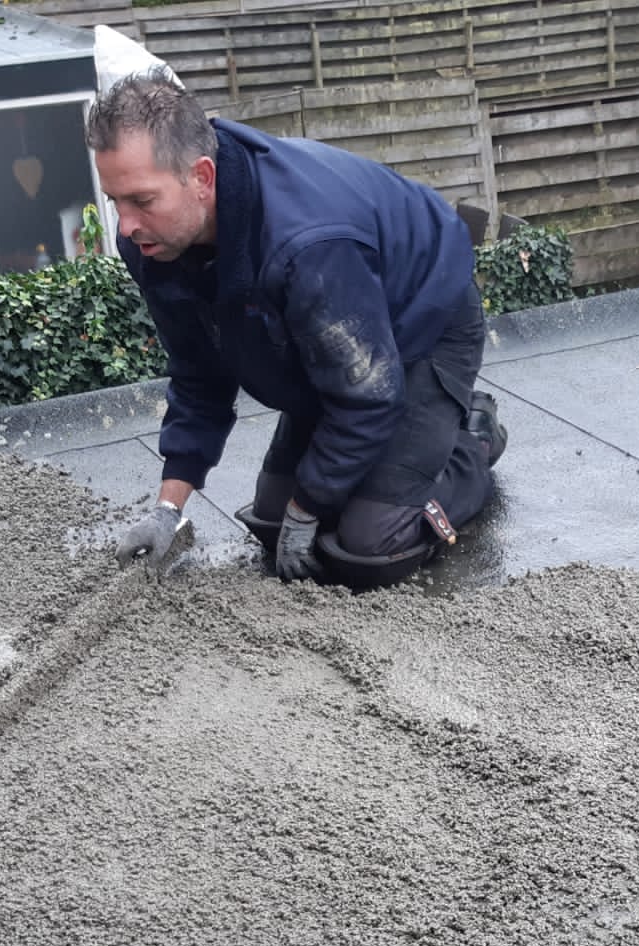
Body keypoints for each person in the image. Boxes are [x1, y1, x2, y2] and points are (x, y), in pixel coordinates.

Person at [87, 70, 506, 588]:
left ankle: (471, 440)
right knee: (270, 520)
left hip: (423, 322)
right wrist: (167, 511)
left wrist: (308, 509)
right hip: (339, 338)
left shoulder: (307, 245)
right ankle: (402, 454)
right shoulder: (154, 244)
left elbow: (368, 398)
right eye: (116, 201)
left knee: (369, 546)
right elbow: (199, 375)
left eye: (142, 201)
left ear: (202, 177)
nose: (126, 225)